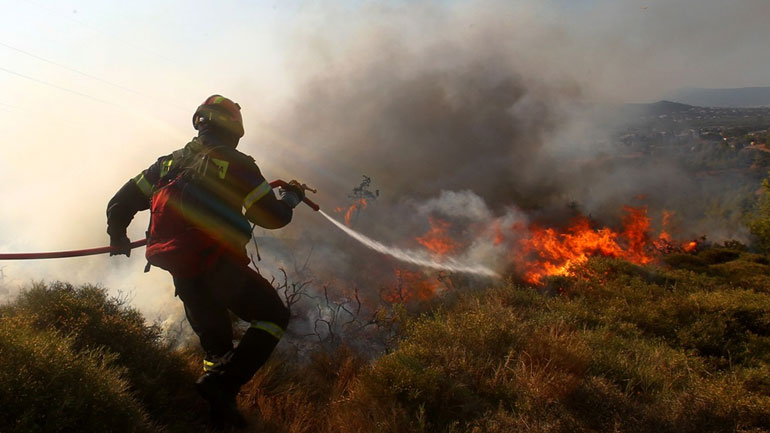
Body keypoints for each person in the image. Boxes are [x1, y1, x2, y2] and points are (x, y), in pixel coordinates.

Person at [106, 94, 304, 427]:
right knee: (273, 317)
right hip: (219, 265)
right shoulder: (237, 164)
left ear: (200, 123)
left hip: (182, 269)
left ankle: (219, 414)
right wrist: (291, 199)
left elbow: (120, 203)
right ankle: (223, 386)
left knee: (216, 350)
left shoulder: (168, 164)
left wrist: (118, 235)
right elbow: (272, 217)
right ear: (235, 129)